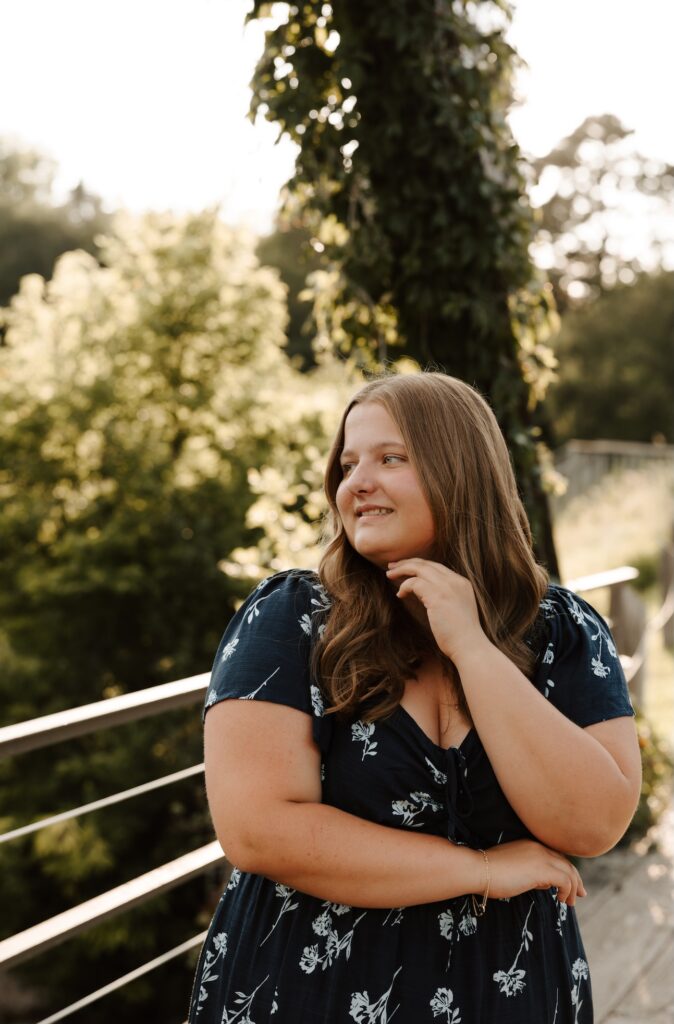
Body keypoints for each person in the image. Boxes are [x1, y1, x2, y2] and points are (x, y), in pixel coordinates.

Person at [187, 371, 641, 1023]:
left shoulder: (562, 633)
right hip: (307, 991)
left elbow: (594, 823)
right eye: (348, 464)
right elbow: (261, 831)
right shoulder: (292, 618)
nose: (357, 482)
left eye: (390, 458)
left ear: (461, 470)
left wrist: (473, 649)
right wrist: (481, 870)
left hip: (507, 992)